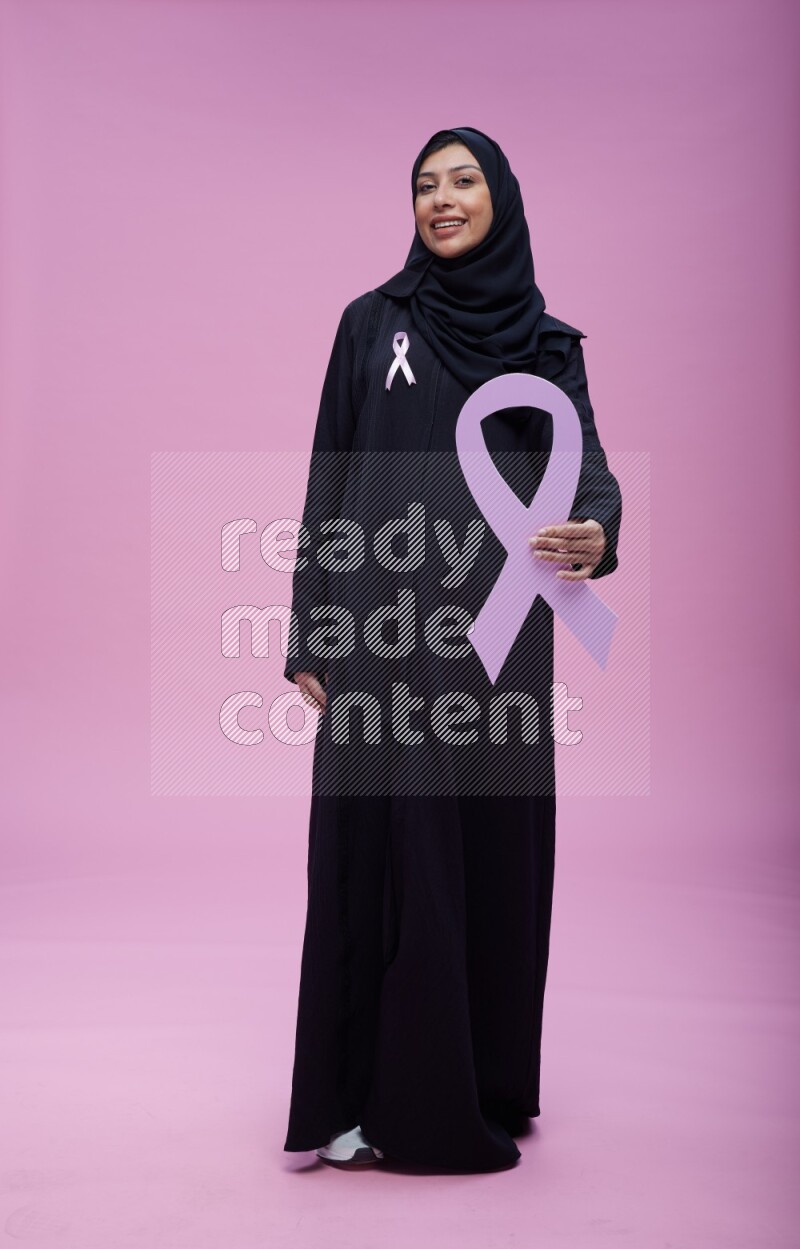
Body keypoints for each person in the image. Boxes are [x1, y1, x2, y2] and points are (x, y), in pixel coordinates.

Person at [282, 127, 622, 1172]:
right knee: (368, 860)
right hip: (379, 641)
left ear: (500, 198)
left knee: (482, 858)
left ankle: (473, 1084)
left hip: (494, 651)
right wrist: (308, 625)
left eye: (462, 181)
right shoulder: (368, 324)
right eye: (424, 184)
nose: (440, 198)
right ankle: (353, 1098)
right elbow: (328, 483)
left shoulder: (547, 343)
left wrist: (596, 535)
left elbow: (589, 477)